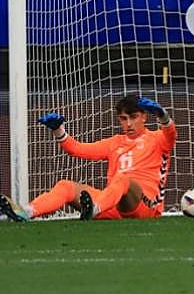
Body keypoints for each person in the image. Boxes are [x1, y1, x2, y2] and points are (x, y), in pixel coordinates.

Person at [0, 95, 176, 222]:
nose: (128, 123)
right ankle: (26, 212)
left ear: (144, 117)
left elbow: (171, 133)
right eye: (123, 119)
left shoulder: (158, 139)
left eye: (133, 117)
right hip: (112, 206)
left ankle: (93, 209)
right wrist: (58, 131)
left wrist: (162, 115)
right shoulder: (114, 142)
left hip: (147, 207)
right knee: (66, 186)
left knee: (123, 179)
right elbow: (77, 149)